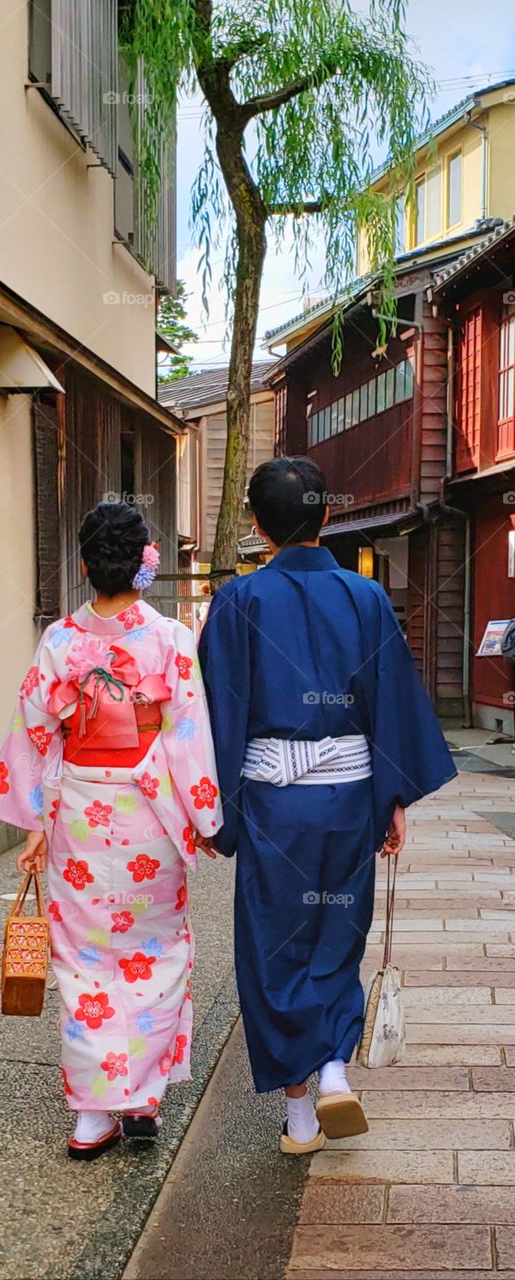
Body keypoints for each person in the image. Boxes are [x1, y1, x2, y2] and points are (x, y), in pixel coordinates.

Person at [198, 457, 456, 1154]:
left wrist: (212, 813)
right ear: (329, 517)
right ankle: (336, 1069)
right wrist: (392, 797)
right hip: (347, 798)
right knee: (337, 936)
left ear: (257, 524)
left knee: (274, 947)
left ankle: (300, 1116)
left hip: (272, 805)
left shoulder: (238, 602)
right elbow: (391, 705)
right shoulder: (365, 598)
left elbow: (218, 714)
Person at [0, 502, 221, 1160]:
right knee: (156, 954)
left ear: (84, 564)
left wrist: (34, 821)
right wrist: (205, 820)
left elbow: (36, 731)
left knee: (85, 962)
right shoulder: (170, 639)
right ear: (147, 560)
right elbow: (188, 737)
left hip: (82, 814)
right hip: (150, 814)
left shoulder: (61, 641)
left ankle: (94, 1115)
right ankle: (140, 1101)